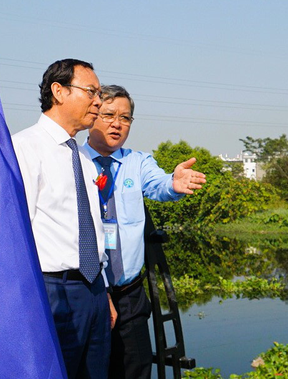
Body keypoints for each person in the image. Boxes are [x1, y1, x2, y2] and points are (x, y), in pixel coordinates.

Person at [82, 85, 206, 379]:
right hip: (87, 294)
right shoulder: (72, 160)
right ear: (92, 115)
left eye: (125, 118)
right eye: (109, 114)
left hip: (129, 295)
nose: (117, 123)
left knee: (135, 371)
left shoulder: (138, 162)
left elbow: (160, 184)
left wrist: (174, 185)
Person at [12, 59, 117, 379]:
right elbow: (16, 234)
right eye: (91, 92)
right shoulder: (24, 148)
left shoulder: (82, 155)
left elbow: (91, 229)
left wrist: (104, 292)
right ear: (58, 91)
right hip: (51, 291)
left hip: (94, 290)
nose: (98, 102)